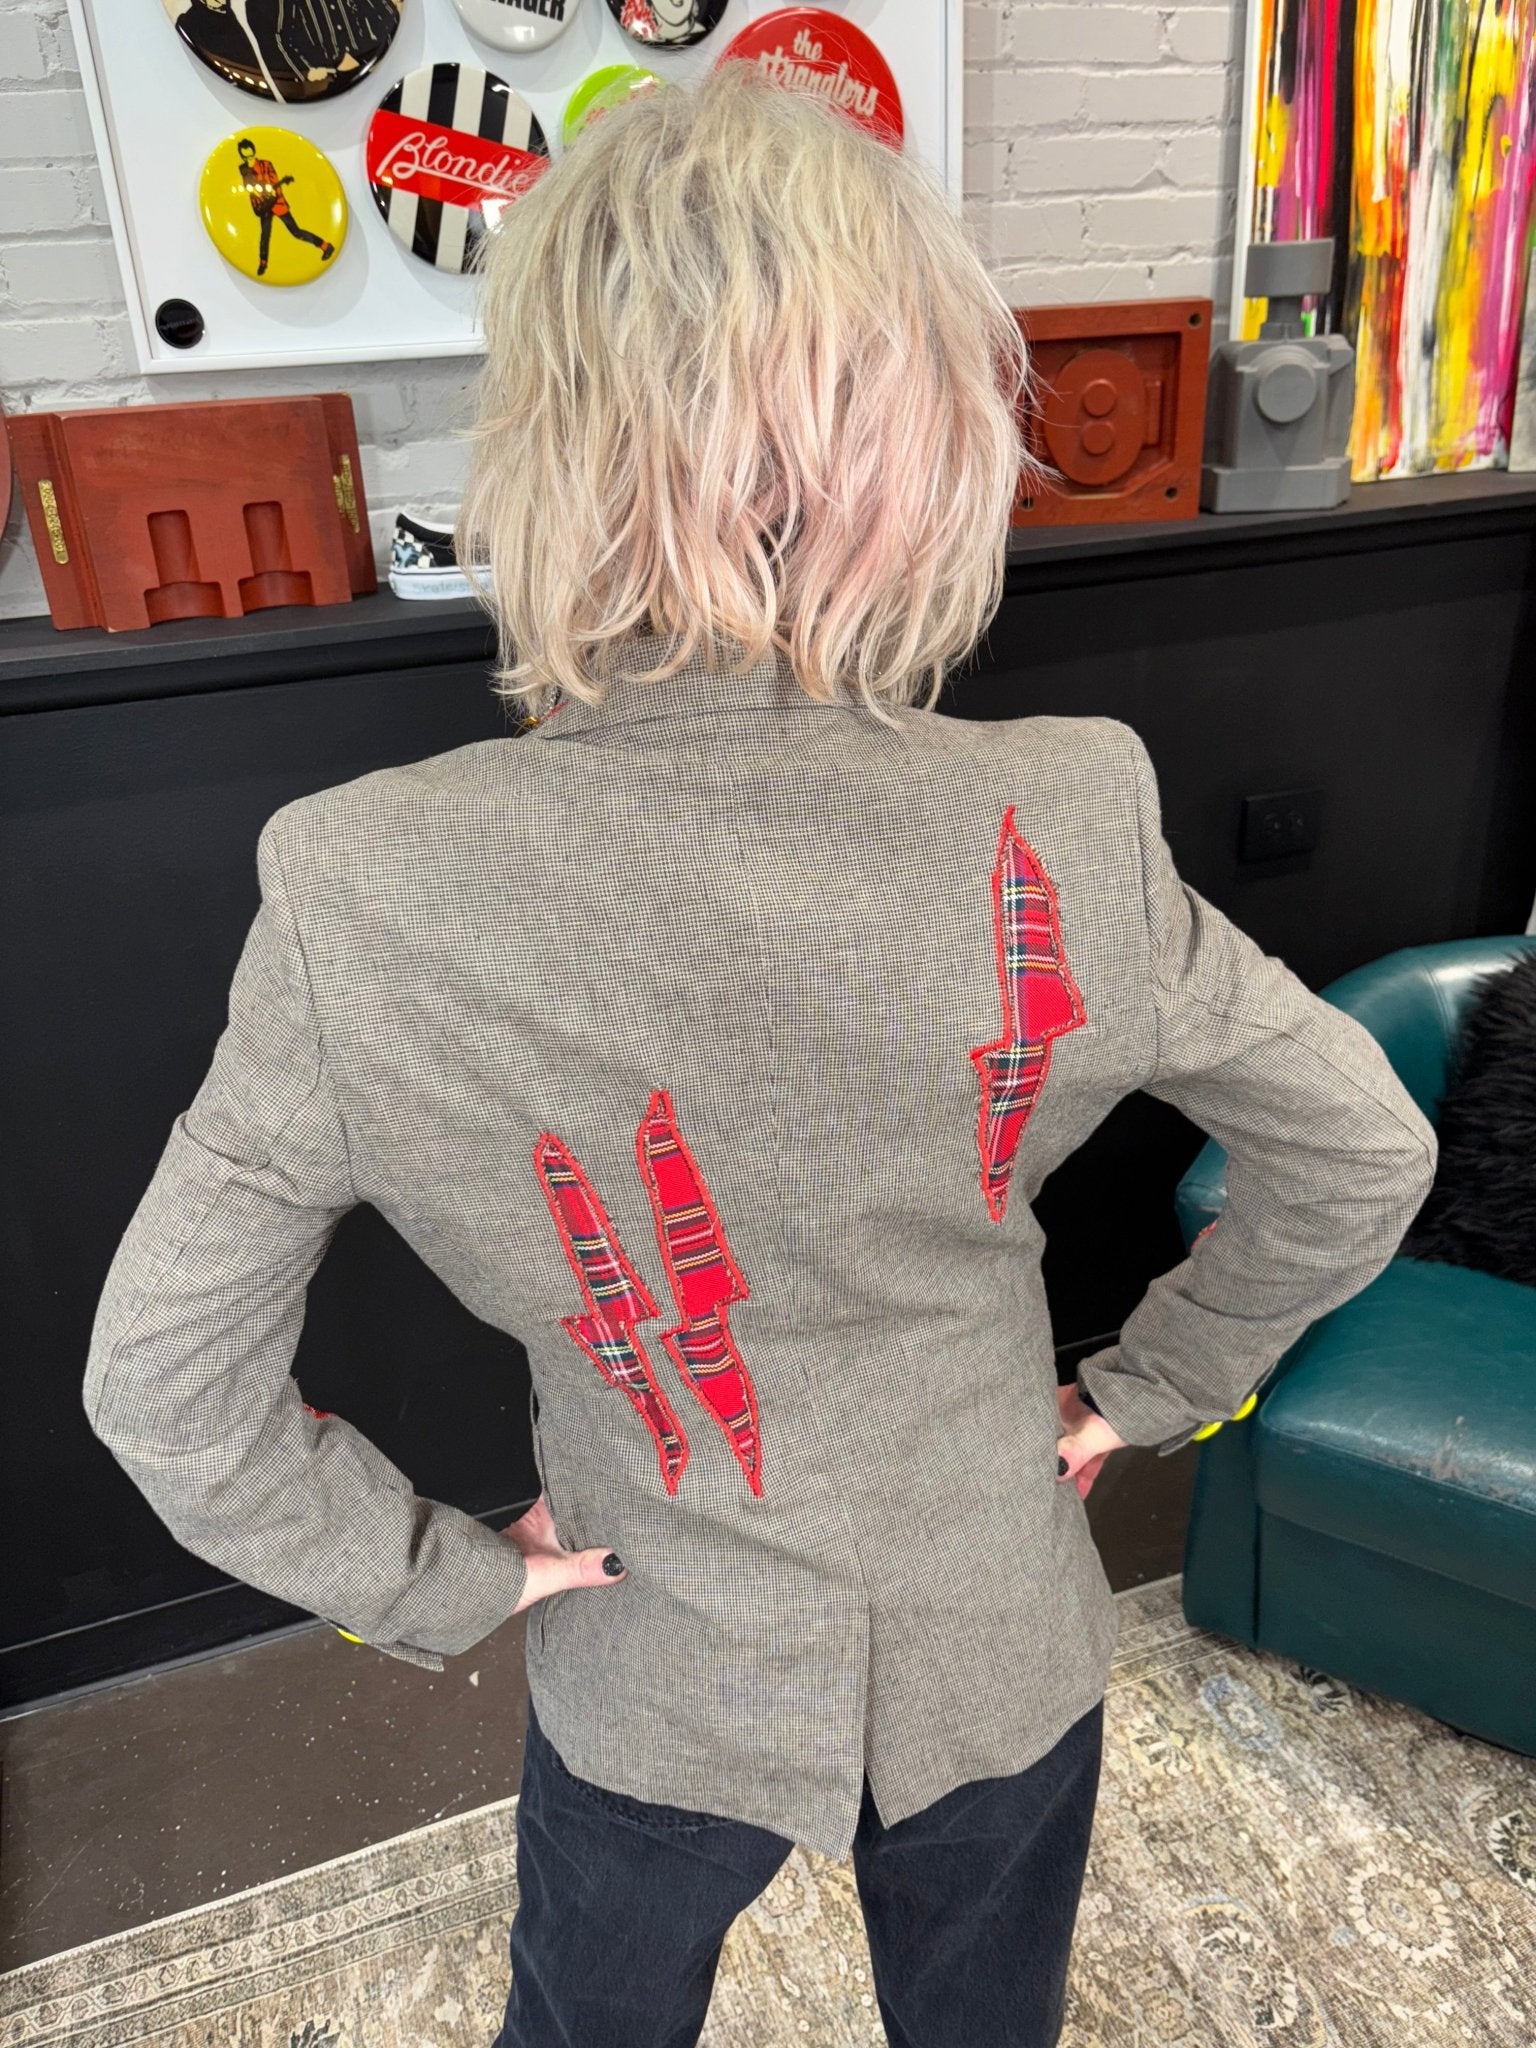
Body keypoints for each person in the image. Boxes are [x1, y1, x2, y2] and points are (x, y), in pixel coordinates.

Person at [83, 61, 1437, 2048]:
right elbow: (1360, 1149)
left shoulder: (363, 883)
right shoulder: (1062, 809)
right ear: (923, 433)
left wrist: (436, 1576)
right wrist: (1146, 1392)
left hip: (650, 1643)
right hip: (993, 1626)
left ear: (555, 437)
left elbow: (160, 1386)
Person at [235, 137, 334, 276]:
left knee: (296, 231)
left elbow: (273, 181)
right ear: (242, 156)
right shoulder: (243, 169)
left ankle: (325, 246)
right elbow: (248, 187)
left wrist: (271, 191)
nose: (249, 159)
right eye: (245, 157)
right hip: (263, 206)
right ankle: (263, 263)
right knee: (265, 235)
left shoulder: (266, 164)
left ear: (254, 152)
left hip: (275, 202)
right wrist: (258, 196)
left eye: (251, 155)